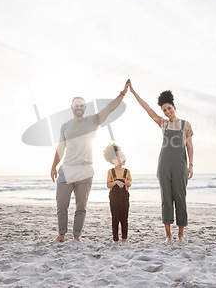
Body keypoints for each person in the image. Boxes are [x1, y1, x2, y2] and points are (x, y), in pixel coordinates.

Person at [50, 80, 129, 243]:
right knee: (61, 204)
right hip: (67, 169)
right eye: (76, 105)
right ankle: (61, 235)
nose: (79, 107)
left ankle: (77, 236)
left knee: (81, 207)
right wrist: (53, 166)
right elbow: (60, 148)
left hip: (85, 171)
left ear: (84, 108)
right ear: (72, 107)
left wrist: (122, 94)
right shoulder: (65, 126)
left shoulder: (93, 121)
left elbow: (109, 109)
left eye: (82, 105)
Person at [129, 82, 194, 244]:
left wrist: (191, 165)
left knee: (180, 198)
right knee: (166, 199)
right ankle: (168, 235)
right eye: (164, 110)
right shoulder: (163, 123)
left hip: (180, 165)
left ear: (174, 107)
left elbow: (190, 146)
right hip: (163, 165)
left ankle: (180, 235)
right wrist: (133, 92)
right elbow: (147, 108)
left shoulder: (185, 125)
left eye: (169, 108)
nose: (167, 112)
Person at [104, 143, 132, 245]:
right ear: (113, 160)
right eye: (120, 156)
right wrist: (115, 182)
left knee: (124, 218)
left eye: (123, 156)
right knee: (115, 219)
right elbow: (108, 184)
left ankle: (124, 239)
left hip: (124, 197)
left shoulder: (127, 172)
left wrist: (128, 183)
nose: (123, 158)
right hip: (114, 198)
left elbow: (129, 183)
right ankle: (115, 239)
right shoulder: (111, 172)